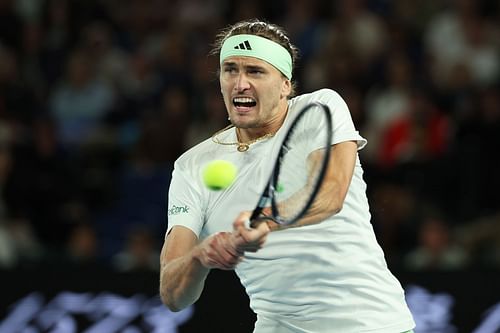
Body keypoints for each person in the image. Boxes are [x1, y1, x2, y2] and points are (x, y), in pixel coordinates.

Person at [159, 19, 416, 333]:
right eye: (230, 69)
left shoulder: (319, 108)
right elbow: (172, 294)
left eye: (255, 71)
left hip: (372, 326)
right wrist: (199, 258)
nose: (240, 83)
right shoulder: (191, 166)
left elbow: (329, 194)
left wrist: (263, 221)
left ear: (285, 85)